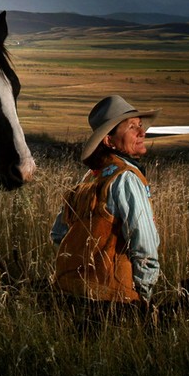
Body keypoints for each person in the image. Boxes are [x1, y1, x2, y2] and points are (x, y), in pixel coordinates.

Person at [51, 95, 162, 319]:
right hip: (113, 300)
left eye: (140, 125)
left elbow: (57, 235)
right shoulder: (126, 178)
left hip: (69, 295)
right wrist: (143, 295)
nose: (142, 133)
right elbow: (144, 244)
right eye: (132, 127)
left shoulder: (90, 178)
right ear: (109, 142)